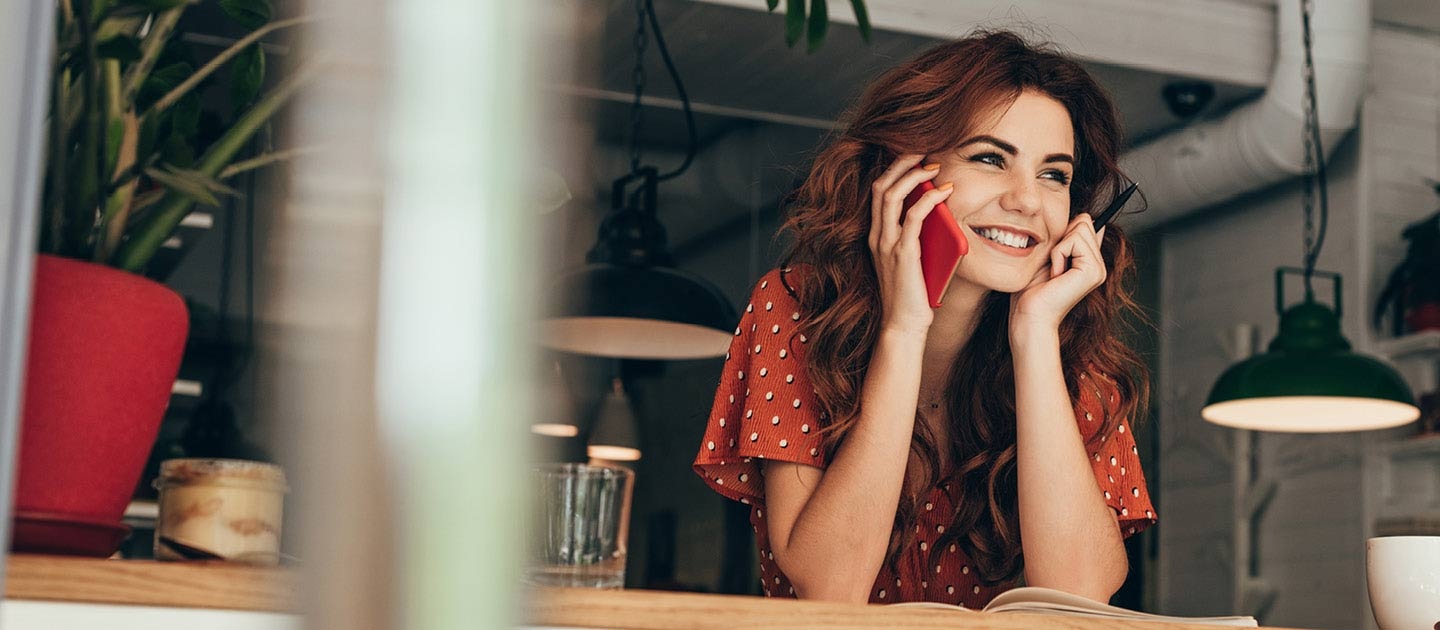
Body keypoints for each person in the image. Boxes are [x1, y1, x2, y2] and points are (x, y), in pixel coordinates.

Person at [692, 30, 1156, 607]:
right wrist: (903, 330)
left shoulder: (1068, 351)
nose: (1028, 201)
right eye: (991, 159)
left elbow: (1077, 599)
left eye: (1053, 174)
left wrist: (1035, 336)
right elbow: (830, 588)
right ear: (905, 175)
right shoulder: (797, 308)